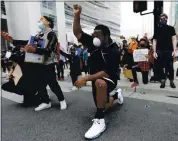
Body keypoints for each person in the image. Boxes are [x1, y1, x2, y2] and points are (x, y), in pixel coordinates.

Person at [72, 4, 124, 139]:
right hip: (95, 79)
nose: (94, 37)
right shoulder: (93, 43)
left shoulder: (114, 50)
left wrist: (85, 78)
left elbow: (107, 72)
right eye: (93, 34)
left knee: (100, 83)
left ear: (106, 36)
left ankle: (100, 120)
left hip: (109, 78)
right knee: (104, 105)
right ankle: (116, 96)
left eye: (97, 35)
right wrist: (77, 15)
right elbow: (78, 33)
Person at [21, 16, 67, 111]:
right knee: (40, 84)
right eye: (39, 20)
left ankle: (62, 100)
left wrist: (34, 49)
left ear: (49, 23)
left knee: (53, 84)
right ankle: (46, 102)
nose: (39, 22)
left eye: (42, 20)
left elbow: (48, 50)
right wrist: (13, 41)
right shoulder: (39, 35)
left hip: (48, 64)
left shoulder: (52, 35)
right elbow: (29, 44)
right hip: (38, 63)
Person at [153, 13, 177, 88]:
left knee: (170, 67)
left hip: (169, 50)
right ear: (160, 19)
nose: (163, 19)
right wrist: (154, 51)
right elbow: (154, 40)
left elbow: (174, 39)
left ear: (167, 19)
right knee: (160, 67)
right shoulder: (157, 29)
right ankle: (162, 81)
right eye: (161, 18)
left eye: (164, 18)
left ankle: (171, 81)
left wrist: (174, 49)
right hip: (159, 50)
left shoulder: (171, 28)